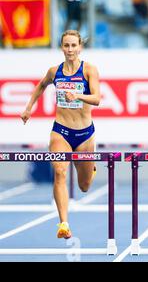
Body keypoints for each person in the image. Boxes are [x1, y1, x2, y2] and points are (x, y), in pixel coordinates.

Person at [21, 30, 100, 239]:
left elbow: (97, 98)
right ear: (62, 47)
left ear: (80, 47)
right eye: (66, 45)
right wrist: (29, 107)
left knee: (84, 186)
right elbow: (40, 86)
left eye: (74, 45)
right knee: (60, 172)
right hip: (61, 131)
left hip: (84, 134)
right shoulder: (54, 71)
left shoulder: (89, 70)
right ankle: (63, 223)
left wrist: (78, 95)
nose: (70, 49)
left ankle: (90, 170)